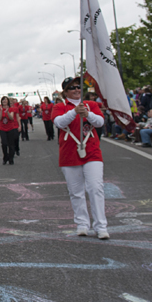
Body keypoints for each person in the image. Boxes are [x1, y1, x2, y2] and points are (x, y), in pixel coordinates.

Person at [52, 77, 109, 239]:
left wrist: (87, 114)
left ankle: (101, 226)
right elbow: (59, 122)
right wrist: (74, 112)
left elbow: (99, 122)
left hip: (91, 151)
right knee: (76, 192)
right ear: (65, 92)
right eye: (72, 88)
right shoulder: (60, 106)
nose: (77, 90)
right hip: (69, 153)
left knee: (95, 188)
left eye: (78, 87)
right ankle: (82, 223)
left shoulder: (90, 105)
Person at [0, 97, 20, 165]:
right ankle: (5, 157)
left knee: (11, 144)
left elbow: (11, 118)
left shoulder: (11, 108)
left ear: (8, 102)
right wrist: (1, 111)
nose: (4, 101)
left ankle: (11, 158)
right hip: (2, 129)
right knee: (4, 144)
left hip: (10, 128)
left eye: (5, 100)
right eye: (3, 100)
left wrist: (7, 112)